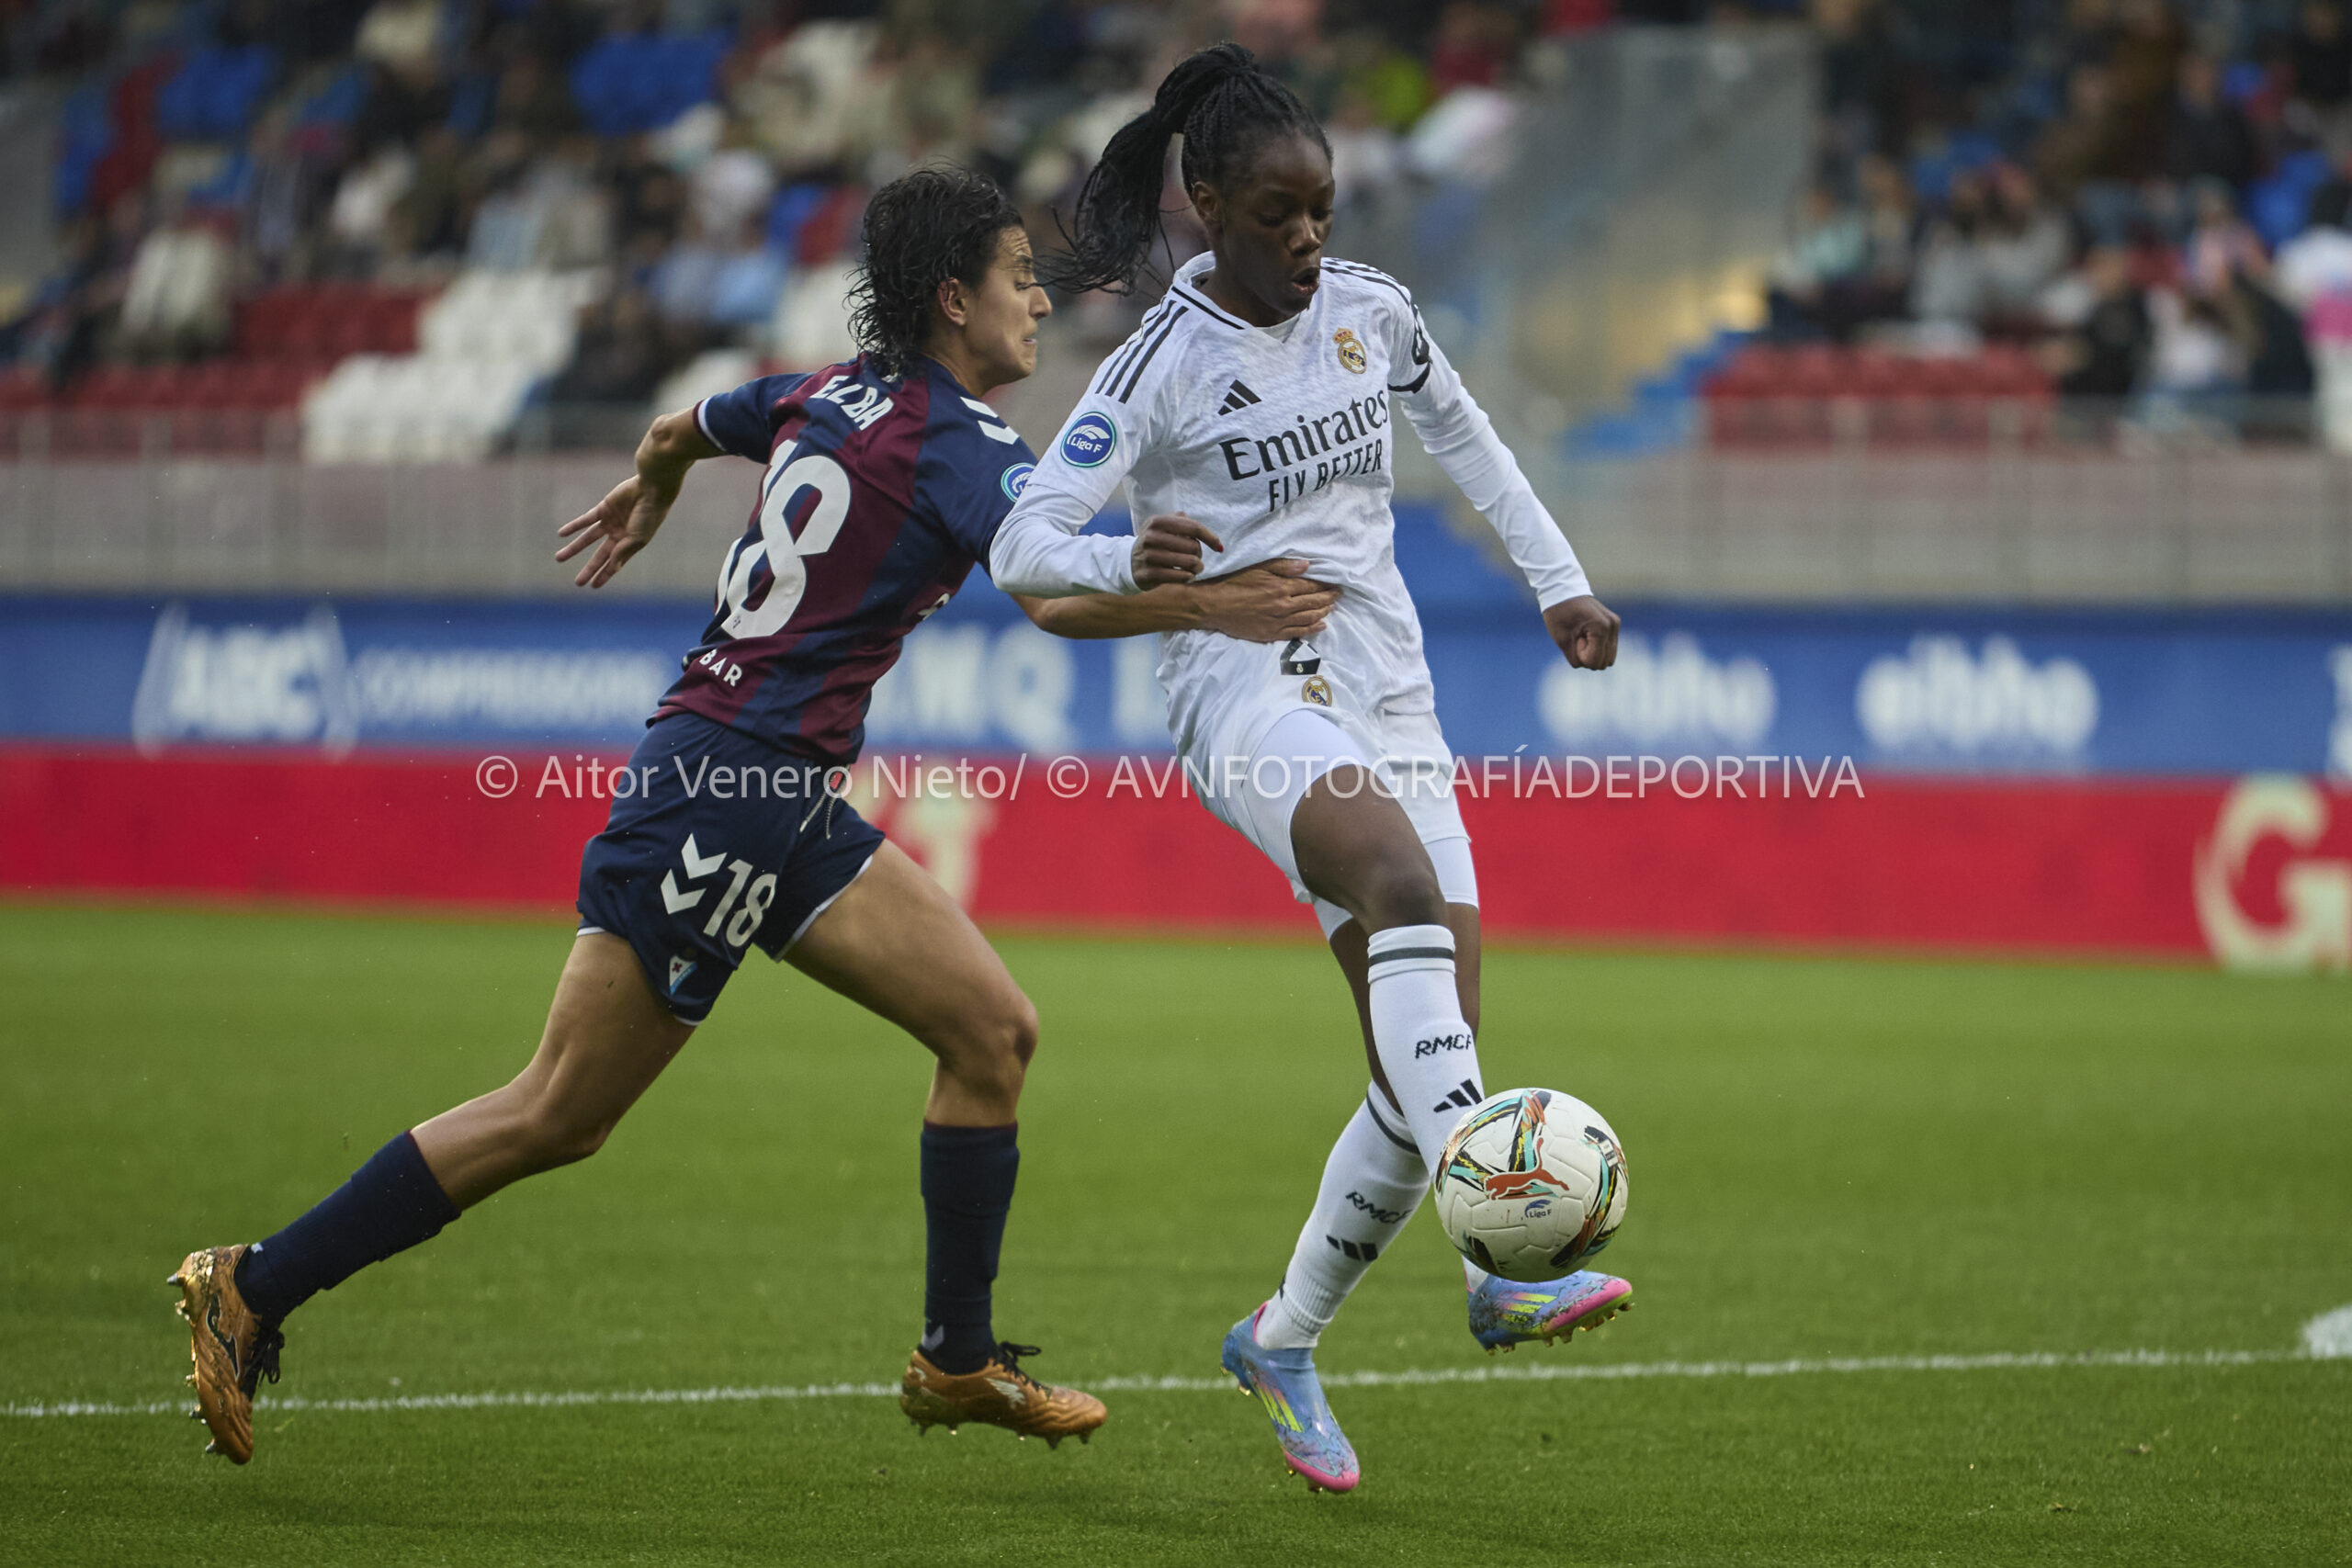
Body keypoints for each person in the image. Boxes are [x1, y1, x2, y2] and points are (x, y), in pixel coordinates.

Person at [168, 164, 1340, 1465]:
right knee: (559, 1110)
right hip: (724, 793)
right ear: (954, 299)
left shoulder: (822, 392)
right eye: (1019, 277)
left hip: (777, 795)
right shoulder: (961, 443)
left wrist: (654, 483)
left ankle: (956, 1360)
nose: (1040, 300)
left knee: (991, 1032)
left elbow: (681, 424)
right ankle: (253, 1283)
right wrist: (1205, 601)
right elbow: (1048, 590)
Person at [993, 44, 1630, 1495]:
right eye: (1278, 214)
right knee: (1397, 885)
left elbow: (1466, 435)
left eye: (1323, 212)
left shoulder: (1370, 312)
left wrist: (1560, 582)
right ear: (1209, 204)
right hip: (1245, 689)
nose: (1307, 239)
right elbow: (1024, 546)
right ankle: (1498, 1257)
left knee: (1422, 1069)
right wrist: (1135, 562)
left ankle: (1281, 1340)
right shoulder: (1157, 363)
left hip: (1390, 685)